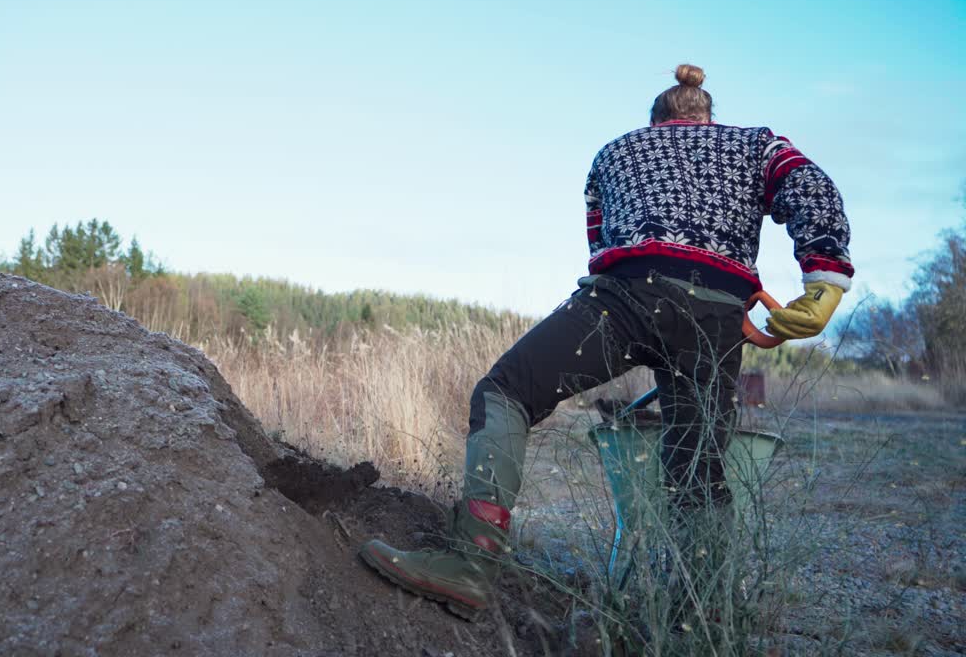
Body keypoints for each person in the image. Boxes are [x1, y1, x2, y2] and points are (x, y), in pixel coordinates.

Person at [359, 64, 853, 619]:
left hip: (625, 300)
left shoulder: (614, 154)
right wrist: (822, 282)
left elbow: (601, 247)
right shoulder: (758, 145)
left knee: (505, 392)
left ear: (655, 120)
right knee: (698, 468)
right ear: (706, 116)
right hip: (716, 318)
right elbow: (813, 189)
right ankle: (702, 616)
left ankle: (470, 564)